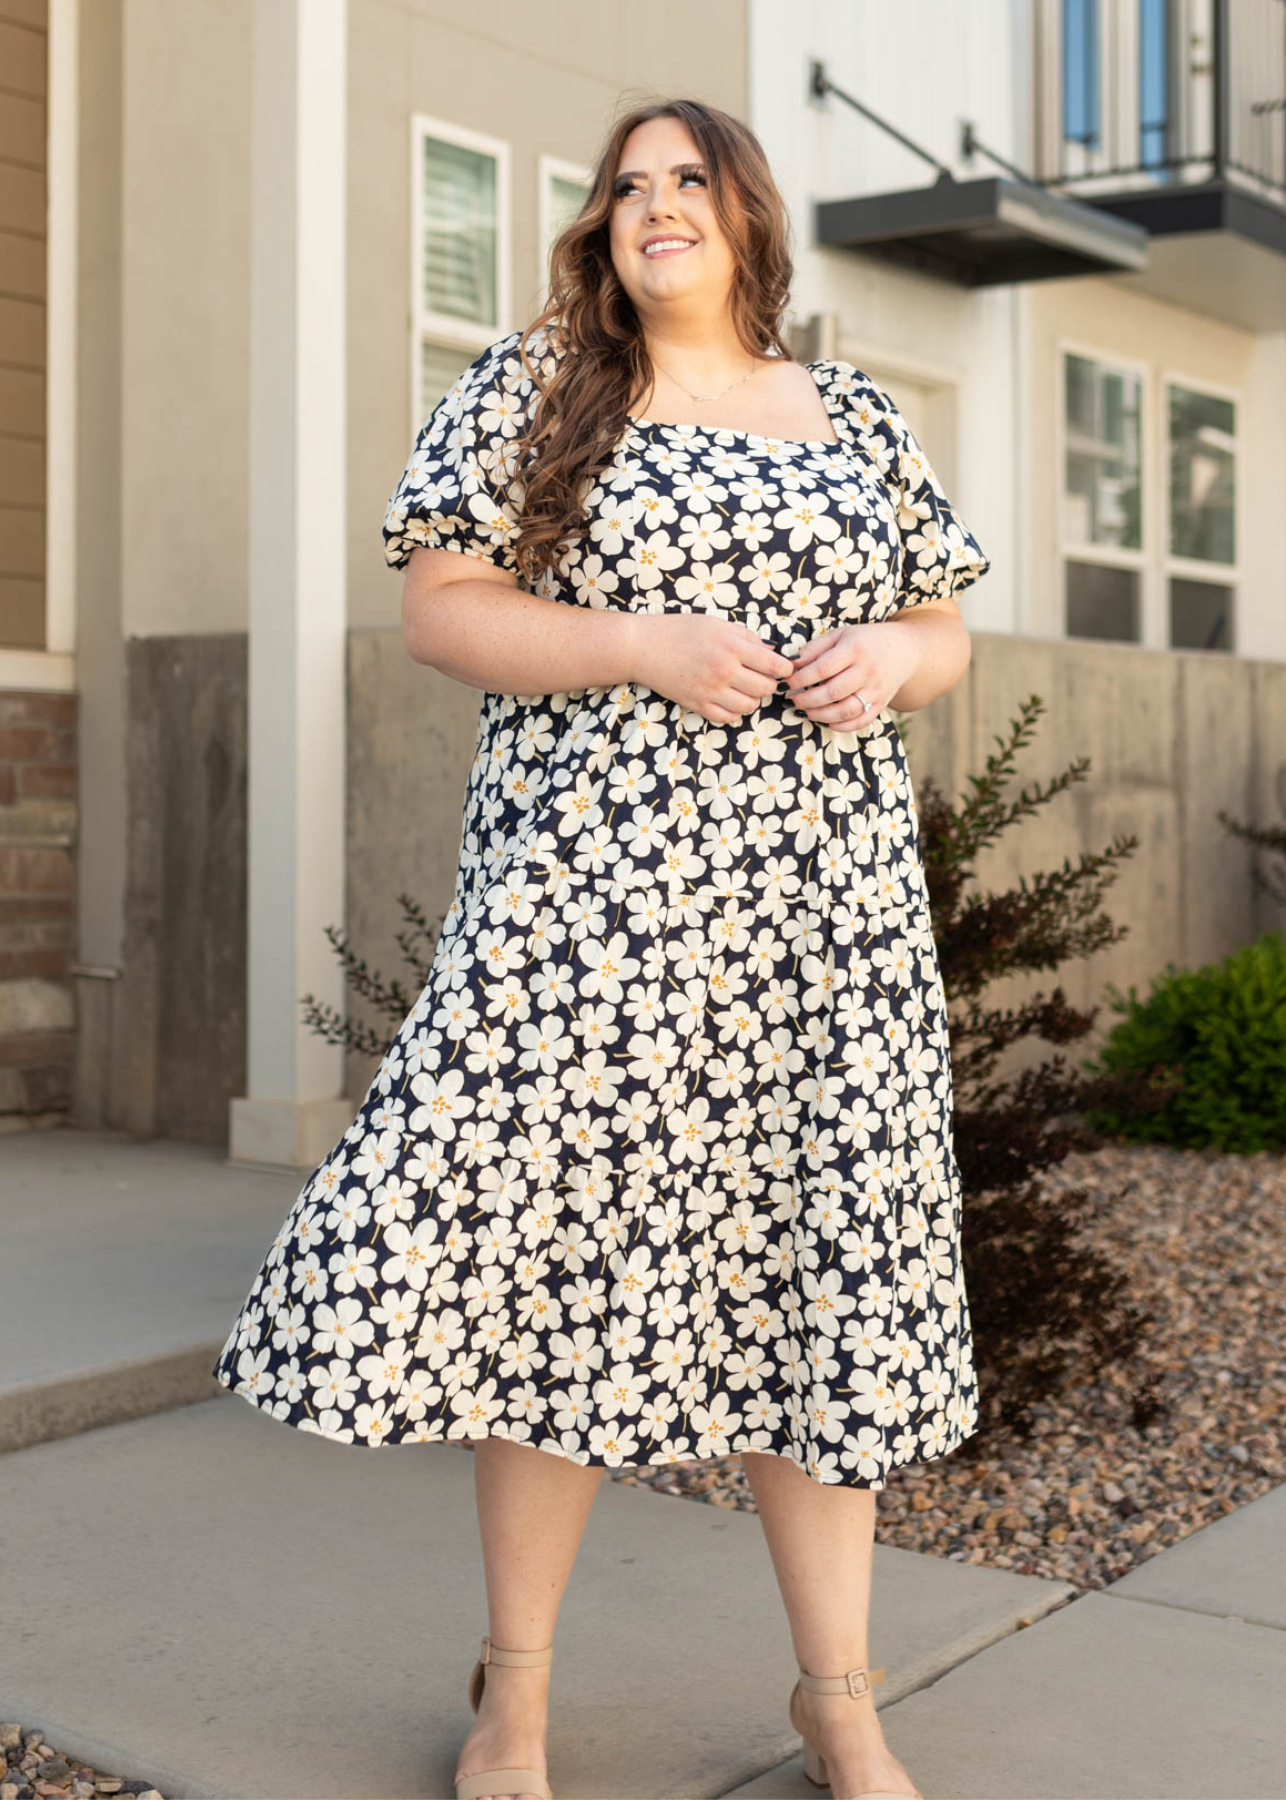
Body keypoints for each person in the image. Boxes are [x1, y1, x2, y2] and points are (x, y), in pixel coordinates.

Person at [213, 96, 991, 1800]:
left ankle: (837, 1698)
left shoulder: (851, 410)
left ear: (743, 214)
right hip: (591, 925)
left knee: (820, 1289)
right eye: (626, 186)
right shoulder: (536, 386)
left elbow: (942, 619)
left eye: (685, 179)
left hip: (819, 931)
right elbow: (440, 609)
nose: (655, 206)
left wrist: (894, 664)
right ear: (602, 230)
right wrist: (637, 641)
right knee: (554, 1290)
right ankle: (518, 1698)